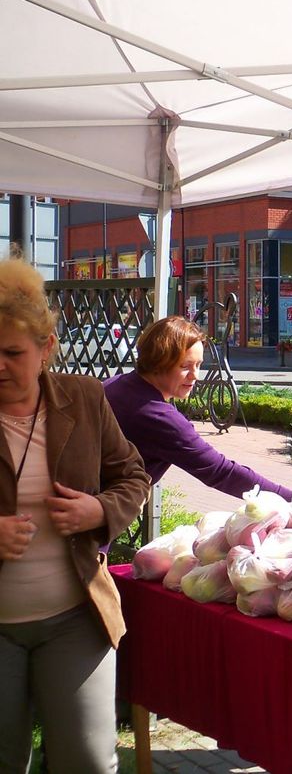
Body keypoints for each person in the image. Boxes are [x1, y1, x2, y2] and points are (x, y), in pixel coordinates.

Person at [0, 255, 150, 773]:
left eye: (11, 352)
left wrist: (98, 510)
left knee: (86, 761)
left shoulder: (84, 399)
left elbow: (134, 477)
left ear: (45, 349)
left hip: (75, 618)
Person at [104, 316, 292, 501]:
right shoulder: (160, 418)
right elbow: (221, 472)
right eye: (185, 366)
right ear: (158, 362)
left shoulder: (117, 383)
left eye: (199, 365)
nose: (195, 375)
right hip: (93, 514)